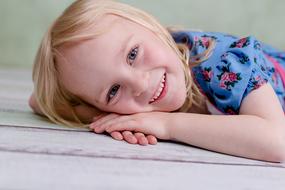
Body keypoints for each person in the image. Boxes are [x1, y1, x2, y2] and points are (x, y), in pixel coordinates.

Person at [29, 0, 285, 162]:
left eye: (132, 54)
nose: (140, 84)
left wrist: (166, 124)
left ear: (151, 26)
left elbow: (276, 142)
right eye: (113, 90)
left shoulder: (221, 62)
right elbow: (41, 102)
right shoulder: (119, 102)